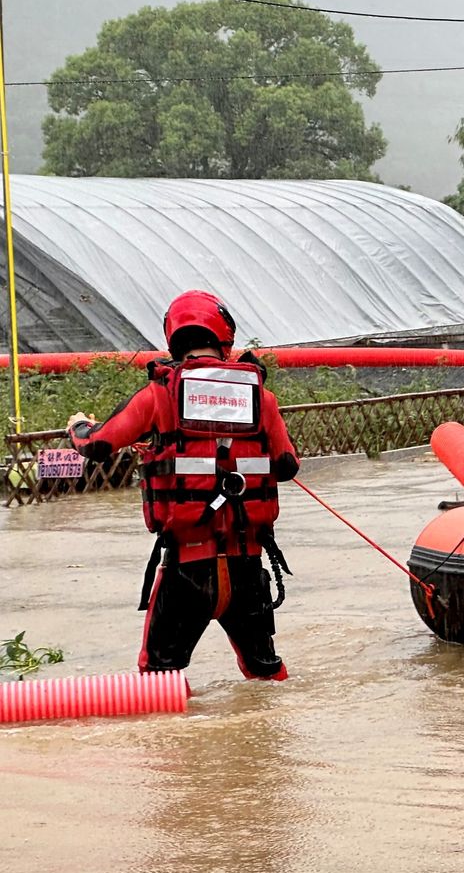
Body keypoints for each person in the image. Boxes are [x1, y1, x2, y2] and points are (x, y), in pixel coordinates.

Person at [66, 291, 299, 680]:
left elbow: (97, 444)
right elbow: (288, 466)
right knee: (266, 676)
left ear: (174, 338)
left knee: (159, 681)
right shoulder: (263, 397)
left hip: (188, 570)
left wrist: (77, 427)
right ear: (224, 336)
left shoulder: (158, 395)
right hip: (247, 566)